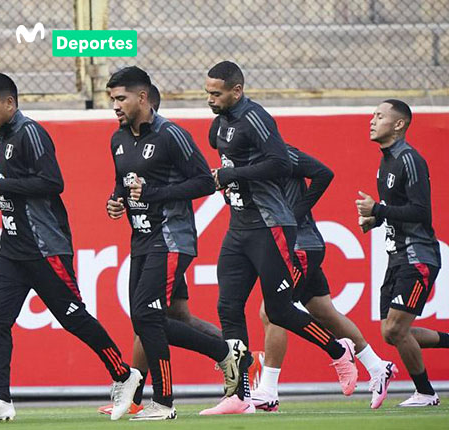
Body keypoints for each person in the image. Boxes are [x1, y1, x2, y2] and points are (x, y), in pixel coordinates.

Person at [0, 72, 141, 422]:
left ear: (10, 103)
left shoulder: (30, 132)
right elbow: (15, 186)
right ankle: (1, 399)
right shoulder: (2, 136)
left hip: (44, 247)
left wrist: (0, 186)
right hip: (13, 248)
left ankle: (125, 375)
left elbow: (52, 182)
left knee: (72, 316)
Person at [200, 61, 357, 415]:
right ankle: (239, 394)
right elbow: (229, 173)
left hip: (270, 225)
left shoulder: (255, 118)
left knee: (279, 310)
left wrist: (231, 174)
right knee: (228, 307)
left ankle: (339, 351)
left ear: (236, 91)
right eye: (207, 92)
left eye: (216, 93)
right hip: (239, 226)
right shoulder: (218, 126)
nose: (210, 98)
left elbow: (279, 163)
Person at [105, 66, 243, 420]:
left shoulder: (170, 135)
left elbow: (203, 182)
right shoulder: (118, 139)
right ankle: (224, 352)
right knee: (152, 318)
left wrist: (154, 194)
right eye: (111, 99)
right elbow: (124, 184)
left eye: (120, 98)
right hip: (141, 239)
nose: (115, 105)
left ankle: (163, 403)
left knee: (147, 317)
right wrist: (116, 200)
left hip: (171, 238)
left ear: (142, 97)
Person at [251, 143, 394, 411]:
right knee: (324, 312)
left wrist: (292, 216)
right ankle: (378, 366)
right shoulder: (245, 158)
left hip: (299, 246)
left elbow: (323, 173)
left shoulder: (278, 151)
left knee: (273, 311)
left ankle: (268, 389)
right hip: (293, 244)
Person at [356, 99, 446, 407]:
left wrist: (378, 209)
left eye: (379, 116)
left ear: (398, 124)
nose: (372, 120)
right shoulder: (386, 161)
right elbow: (398, 209)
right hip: (397, 257)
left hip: (417, 256)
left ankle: (426, 393)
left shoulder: (409, 159)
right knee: (391, 332)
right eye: (372, 115)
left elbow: (421, 212)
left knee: (396, 328)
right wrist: (375, 219)